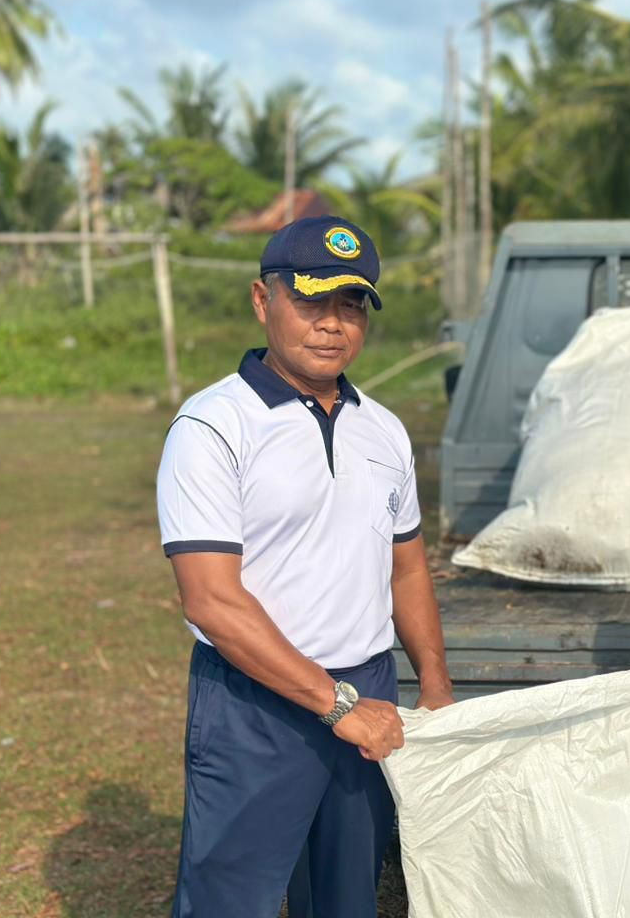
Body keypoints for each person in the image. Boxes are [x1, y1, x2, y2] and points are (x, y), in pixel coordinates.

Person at [155, 215, 454, 918]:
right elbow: (212, 603)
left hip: (370, 690)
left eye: (350, 305)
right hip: (257, 705)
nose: (332, 325)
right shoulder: (212, 428)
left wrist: (435, 687)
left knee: (347, 899)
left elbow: (405, 569)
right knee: (233, 900)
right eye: (311, 300)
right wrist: (335, 706)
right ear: (264, 301)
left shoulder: (383, 429)